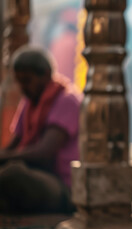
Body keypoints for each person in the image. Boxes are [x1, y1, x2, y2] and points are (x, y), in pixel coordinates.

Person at [0, 46, 82, 214]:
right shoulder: (29, 102)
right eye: (19, 81)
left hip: (64, 186)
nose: (22, 87)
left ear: (45, 75)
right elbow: (13, 145)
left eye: (27, 80)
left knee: (14, 174)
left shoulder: (67, 100)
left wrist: (5, 157)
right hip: (37, 175)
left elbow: (45, 152)